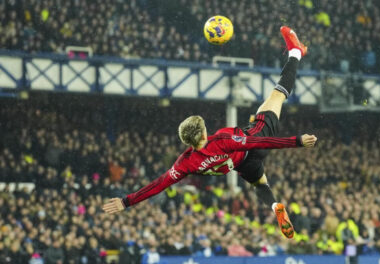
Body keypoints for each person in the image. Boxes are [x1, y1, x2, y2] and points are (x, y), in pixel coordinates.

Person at [102, 26, 318, 239]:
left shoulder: (185, 162)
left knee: (260, 184)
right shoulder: (221, 139)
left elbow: (158, 184)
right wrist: (297, 141)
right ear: (204, 133)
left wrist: (127, 201)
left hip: (242, 165)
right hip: (255, 141)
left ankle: (274, 206)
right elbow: (256, 142)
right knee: (277, 95)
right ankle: (295, 52)